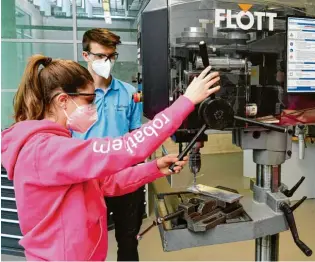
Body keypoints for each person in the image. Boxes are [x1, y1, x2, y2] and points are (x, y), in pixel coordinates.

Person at [1, 55, 220, 261]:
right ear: (62, 101)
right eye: (89, 100)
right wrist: (186, 101)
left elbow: (103, 183)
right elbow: (129, 146)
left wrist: (154, 168)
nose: (93, 108)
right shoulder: (44, 151)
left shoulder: (54, 146)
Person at [73, 28, 144, 261]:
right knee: (88, 245)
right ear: (86, 56)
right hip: (87, 183)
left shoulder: (129, 93)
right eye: (100, 56)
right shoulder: (72, 96)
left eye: (111, 56)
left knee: (128, 243)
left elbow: (136, 138)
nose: (107, 62)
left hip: (124, 182)